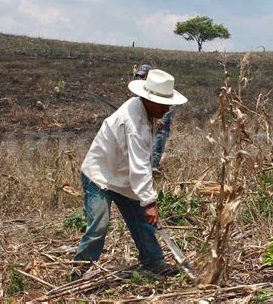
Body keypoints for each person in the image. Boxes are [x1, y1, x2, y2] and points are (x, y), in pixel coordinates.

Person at [73, 69, 188, 279]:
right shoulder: (134, 124)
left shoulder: (145, 112)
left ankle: (153, 261)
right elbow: (140, 165)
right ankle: (80, 270)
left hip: (123, 177)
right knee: (99, 224)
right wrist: (150, 202)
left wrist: (146, 203)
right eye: (163, 104)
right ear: (149, 100)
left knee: (141, 221)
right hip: (100, 175)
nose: (168, 108)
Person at [135, 65, 175, 170]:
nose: (141, 78)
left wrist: (159, 121)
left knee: (156, 148)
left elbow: (168, 108)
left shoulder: (162, 91)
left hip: (160, 128)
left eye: (144, 76)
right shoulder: (141, 92)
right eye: (140, 76)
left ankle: (153, 168)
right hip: (147, 126)